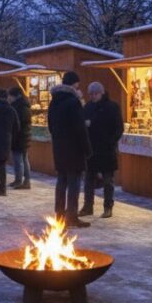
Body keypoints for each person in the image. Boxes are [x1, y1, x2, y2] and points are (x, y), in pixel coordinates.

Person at [47, 71, 92, 228]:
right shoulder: (74, 102)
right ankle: (72, 216)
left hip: (59, 147)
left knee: (61, 181)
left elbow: (50, 126)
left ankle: (59, 215)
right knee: (74, 183)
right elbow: (80, 128)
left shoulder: (54, 102)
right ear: (74, 84)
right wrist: (87, 149)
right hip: (74, 148)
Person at [79, 82, 123, 219]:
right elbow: (82, 124)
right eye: (90, 94)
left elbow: (119, 128)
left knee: (108, 180)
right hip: (91, 149)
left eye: (95, 94)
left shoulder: (112, 107)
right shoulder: (87, 107)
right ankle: (87, 206)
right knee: (88, 180)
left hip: (106, 149)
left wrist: (111, 141)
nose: (92, 96)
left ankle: (108, 207)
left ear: (101, 93)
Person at [8, 86, 32, 189]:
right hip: (23, 136)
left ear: (16, 96)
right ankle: (24, 180)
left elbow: (18, 123)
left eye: (11, 96)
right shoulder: (24, 105)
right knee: (23, 159)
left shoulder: (19, 107)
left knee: (19, 160)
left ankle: (20, 181)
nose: (9, 98)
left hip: (19, 137)